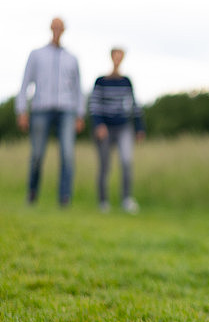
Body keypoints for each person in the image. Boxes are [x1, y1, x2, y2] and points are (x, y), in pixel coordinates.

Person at [16, 17, 85, 207]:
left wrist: (80, 114)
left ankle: (65, 198)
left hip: (67, 111)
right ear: (50, 28)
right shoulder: (36, 54)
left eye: (60, 27)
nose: (57, 30)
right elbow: (25, 84)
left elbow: (78, 88)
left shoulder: (71, 58)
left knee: (67, 155)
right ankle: (32, 193)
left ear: (64, 30)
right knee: (37, 154)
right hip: (41, 109)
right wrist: (22, 110)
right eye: (54, 27)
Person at [88, 47, 146, 214]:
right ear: (111, 57)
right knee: (105, 165)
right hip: (105, 127)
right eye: (116, 56)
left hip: (123, 127)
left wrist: (139, 127)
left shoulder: (126, 81)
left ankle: (127, 199)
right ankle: (103, 201)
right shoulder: (101, 81)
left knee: (127, 162)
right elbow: (94, 105)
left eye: (121, 56)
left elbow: (134, 104)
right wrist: (98, 124)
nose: (118, 59)